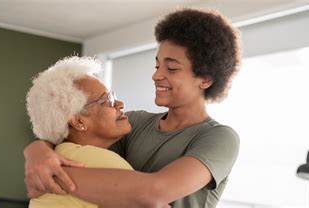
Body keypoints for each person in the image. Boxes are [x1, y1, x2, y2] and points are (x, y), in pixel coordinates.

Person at [24, 7, 241, 208]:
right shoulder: (134, 124)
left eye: (172, 68)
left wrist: (51, 176)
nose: (156, 75)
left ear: (205, 79)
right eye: (157, 65)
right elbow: (71, 137)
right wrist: (36, 151)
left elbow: (155, 192)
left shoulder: (220, 138)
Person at [25, 56, 135, 208]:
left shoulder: (58, 155)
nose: (120, 104)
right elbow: (155, 198)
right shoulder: (97, 161)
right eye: (107, 100)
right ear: (78, 121)